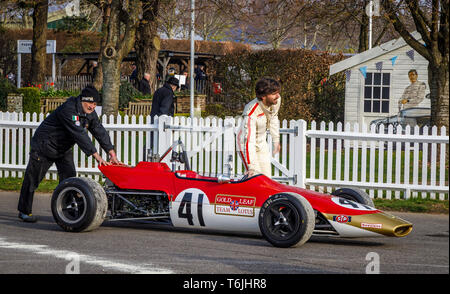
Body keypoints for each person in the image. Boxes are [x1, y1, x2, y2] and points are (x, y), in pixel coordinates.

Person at [17, 85, 122, 223]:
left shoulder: (90, 113)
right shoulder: (69, 109)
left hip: (63, 148)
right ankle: (24, 212)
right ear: (83, 100)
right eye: (90, 103)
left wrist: (112, 153)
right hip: (44, 146)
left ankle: (67, 211)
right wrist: (97, 157)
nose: (92, 107)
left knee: (70, 180)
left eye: (95, 104)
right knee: (32, 180)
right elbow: (79, 134)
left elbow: (99, 130)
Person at [237, 78, 281, 178]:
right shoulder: (251, 112)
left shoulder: (276, 101)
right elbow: (248, 141)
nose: (278, 96)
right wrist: (251, 166)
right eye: (274, 93)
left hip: (261, 141)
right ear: (263, 96)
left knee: (266, 177)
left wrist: (276, 140)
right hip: (246, 143)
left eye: (278, 92)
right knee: (254, 176)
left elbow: (274, 118)